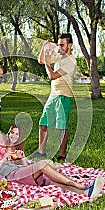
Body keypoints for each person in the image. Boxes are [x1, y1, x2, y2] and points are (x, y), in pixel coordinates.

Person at [0, 142, 104, 199]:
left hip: (23, 172)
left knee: (55, 182)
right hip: (13, 176)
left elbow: (24, 167)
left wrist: (22, 158)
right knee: (42, 164)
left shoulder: (0, 159)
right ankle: (81, 186)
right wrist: (2, 161)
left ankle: (86, 193)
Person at [31, 33, 77, 161]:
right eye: (59, 44)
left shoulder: (70, 61)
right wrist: (44, 47)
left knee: (62, 127)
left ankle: (62, 154)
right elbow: (40, 60)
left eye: (62, 45)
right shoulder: (59, 56)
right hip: (53, 94)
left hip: (64, 96)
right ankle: (41, 152)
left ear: (70, 45)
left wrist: (47, 62)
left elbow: (52, 76)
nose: (59, 47)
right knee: (43, 123)